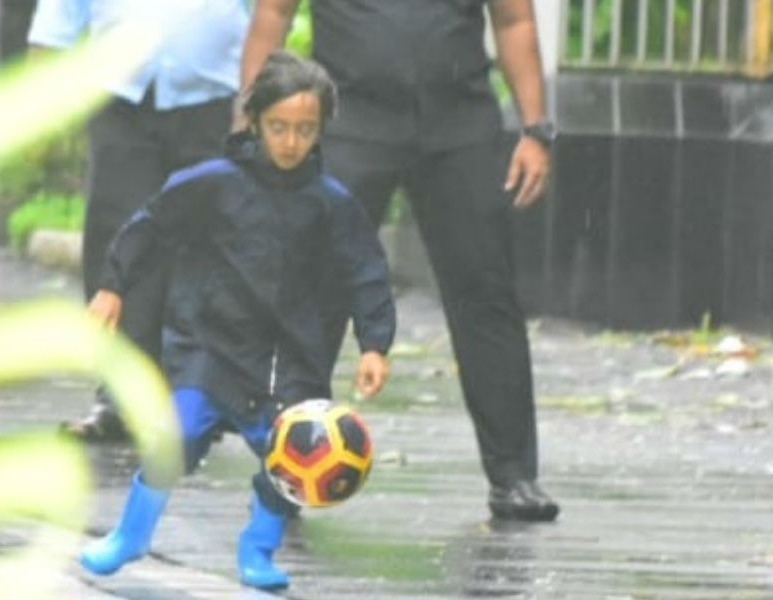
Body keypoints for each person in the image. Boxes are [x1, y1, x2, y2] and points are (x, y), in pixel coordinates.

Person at [78, 50, 396, 590]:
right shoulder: (212, 183)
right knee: (174, 436)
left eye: (305, 130)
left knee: (290, 454)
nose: (290, 142)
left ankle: (258, 548)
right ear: (254, 120)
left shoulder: (332, 204)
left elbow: (365, 271)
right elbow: (150, 224)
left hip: (288, 360)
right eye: (278, 127)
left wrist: (374, 344)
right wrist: (113, 286)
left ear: (322, 130)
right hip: (210, 345)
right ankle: (130, 534)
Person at [239, 0, 559, 522]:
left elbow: (514, 19)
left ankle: (514, 476)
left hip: (460, 124)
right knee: (314, 295)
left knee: (485, 292)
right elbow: (273, 15)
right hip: (348, 120)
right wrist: (251, 126)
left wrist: (535, 129)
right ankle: (286, 471)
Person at [26, 0, 251, 441]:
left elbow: (268, 13)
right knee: (118, 237)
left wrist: (259, 94)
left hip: (211, 100)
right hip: (120, 97)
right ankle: (119, 396)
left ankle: (193, 395)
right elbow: (57, 17)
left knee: (200, 244)